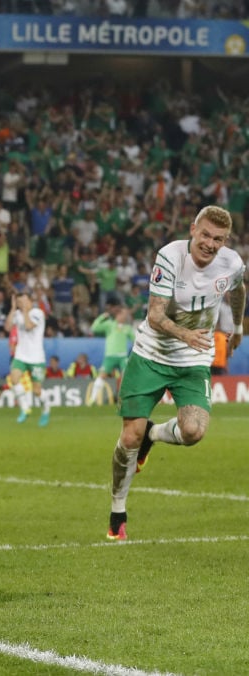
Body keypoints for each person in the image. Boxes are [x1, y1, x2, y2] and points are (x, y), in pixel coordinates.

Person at [107, 205, 245, 541]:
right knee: (129, 437)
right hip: (151, 354)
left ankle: (153, 436)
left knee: (194, 431)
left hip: (193, 360)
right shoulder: (169, 256)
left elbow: (238, 289)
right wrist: (185, 335)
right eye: (206, 235)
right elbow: (155, 315)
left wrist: (237, 326)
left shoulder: (233, 263)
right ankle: (117, 511)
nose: (211, 244)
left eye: (219, 239)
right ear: (193, 229)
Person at [4, 291, 51, 426]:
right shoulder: (17, 313)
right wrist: (13, 309)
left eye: (24, 301)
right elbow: (7, 327)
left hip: (36, 358)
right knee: (14, 379)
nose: (21, 304)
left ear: (30, 301)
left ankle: (46, 409)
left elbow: (29, 326)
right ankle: (24, 408)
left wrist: (24, 311)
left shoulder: (38, 313)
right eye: (19, 302)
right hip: (21, 355)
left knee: (36, 391)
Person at [90, 303, 136, 393]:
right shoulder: (110, 325)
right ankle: (92, 399)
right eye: (124, 314)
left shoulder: (127, 328)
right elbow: (94, 328)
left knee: (126, 375)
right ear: (118, 315)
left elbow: (135, 340)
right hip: (110, 356)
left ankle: (122, 397)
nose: (126, 316)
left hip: (122, 356)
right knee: (102, 376)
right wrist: (102, 316)